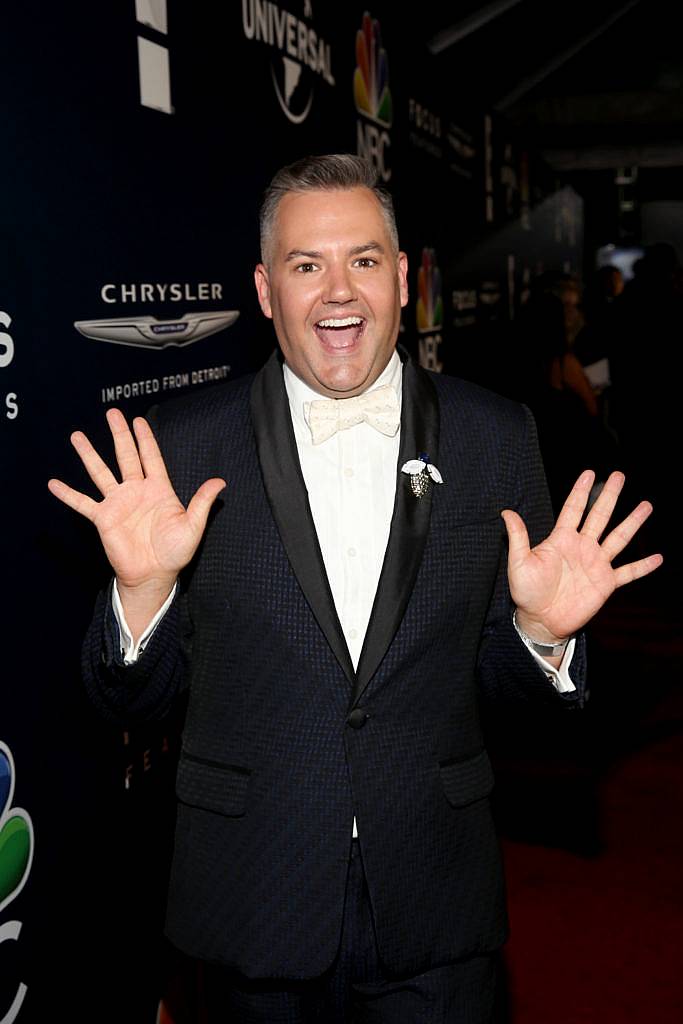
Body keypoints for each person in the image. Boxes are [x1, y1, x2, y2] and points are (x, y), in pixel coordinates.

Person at [48, 155, 661, 1024]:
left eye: (364, 261)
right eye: (307, 266)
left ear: (403, 278)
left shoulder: (496, 435)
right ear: (265, 291)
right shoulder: (182, 448)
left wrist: (537, 634)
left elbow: (515, 701)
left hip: (436, 899)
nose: (339, 292)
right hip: (250, 900)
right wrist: (142, 592)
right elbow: (129, 704)